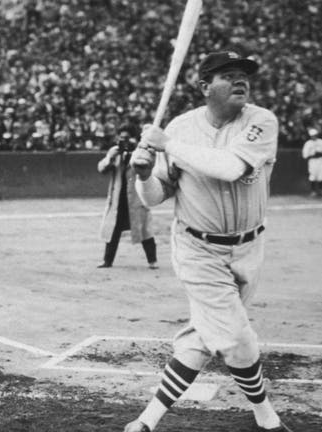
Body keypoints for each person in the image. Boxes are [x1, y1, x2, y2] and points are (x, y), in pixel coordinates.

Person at [124, 51, 290, 432]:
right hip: (198, 249)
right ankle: (267, 419)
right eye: (228, 75)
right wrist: (144, 174)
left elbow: (230, 168)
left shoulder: (261, 121)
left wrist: (167, 144)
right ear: (204, 87)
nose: (240, 81)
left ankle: (145, 421)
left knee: (202, 338)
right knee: (235, 335)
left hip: (250, 248)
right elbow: (154, 196)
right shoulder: (181, 128)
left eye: (243, 75)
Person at [96, 129, 157, 269]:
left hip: (136, 198)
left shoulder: (140, 152)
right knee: (113, 230)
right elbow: (101, 169)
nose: (124, 141)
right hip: (119, 199)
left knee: (144, 229)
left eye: (127, 138)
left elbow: (148, 170)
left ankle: (152, 260)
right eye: (122, 137)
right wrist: (110, 158)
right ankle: (107, 260)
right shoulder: (114, 153)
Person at [301, 128, 322, 196]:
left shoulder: (320, 141)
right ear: (310, 136)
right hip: (312, 160)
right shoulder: (308, 143)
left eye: (315, 135)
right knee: (313, 175)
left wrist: (319, 151)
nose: (314, 136)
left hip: (320, 159)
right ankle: (313, 191)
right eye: (312, 135)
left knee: (321, 175)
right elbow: (304, 155)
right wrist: (312, 153)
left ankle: (321, 190)